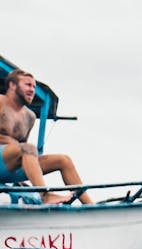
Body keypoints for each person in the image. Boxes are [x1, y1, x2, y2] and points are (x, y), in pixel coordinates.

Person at [0, 69, 93, 204]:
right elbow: (22, 148)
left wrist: (18, 180)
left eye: (34, 86)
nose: (32, 89)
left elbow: (20, 149)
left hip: (8, 165)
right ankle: (45, 195)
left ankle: (90, 206)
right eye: (27, 85)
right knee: (28, 148)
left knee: (63, 160)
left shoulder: (30, 117)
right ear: (12, 85)